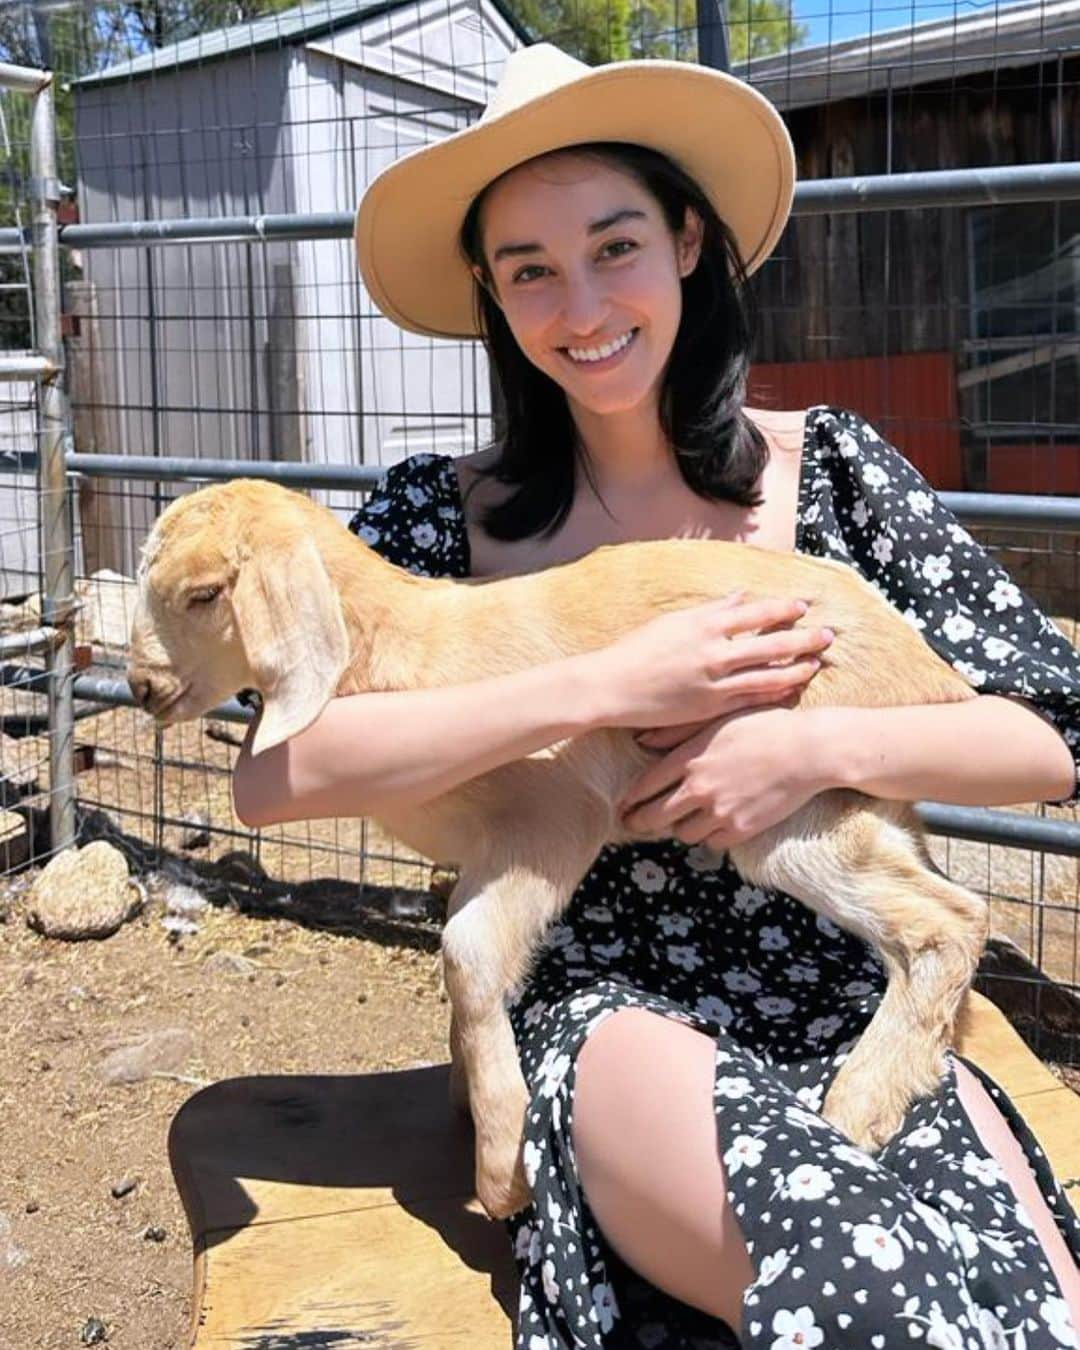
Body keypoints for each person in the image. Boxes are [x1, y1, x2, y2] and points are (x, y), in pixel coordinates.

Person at [233, 43, 1080, 1350]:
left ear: (687, 241)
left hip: (850, 990)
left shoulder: (839, 474)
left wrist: (807, 752)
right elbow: (273, 777)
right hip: (612, 1001)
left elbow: (1049, 734)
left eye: (615, 244)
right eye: (530, 270)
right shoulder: (427, 520)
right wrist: (601, 681)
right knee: (862, 1289)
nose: (582, 303)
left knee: (1036, 1311)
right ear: (493, 297)